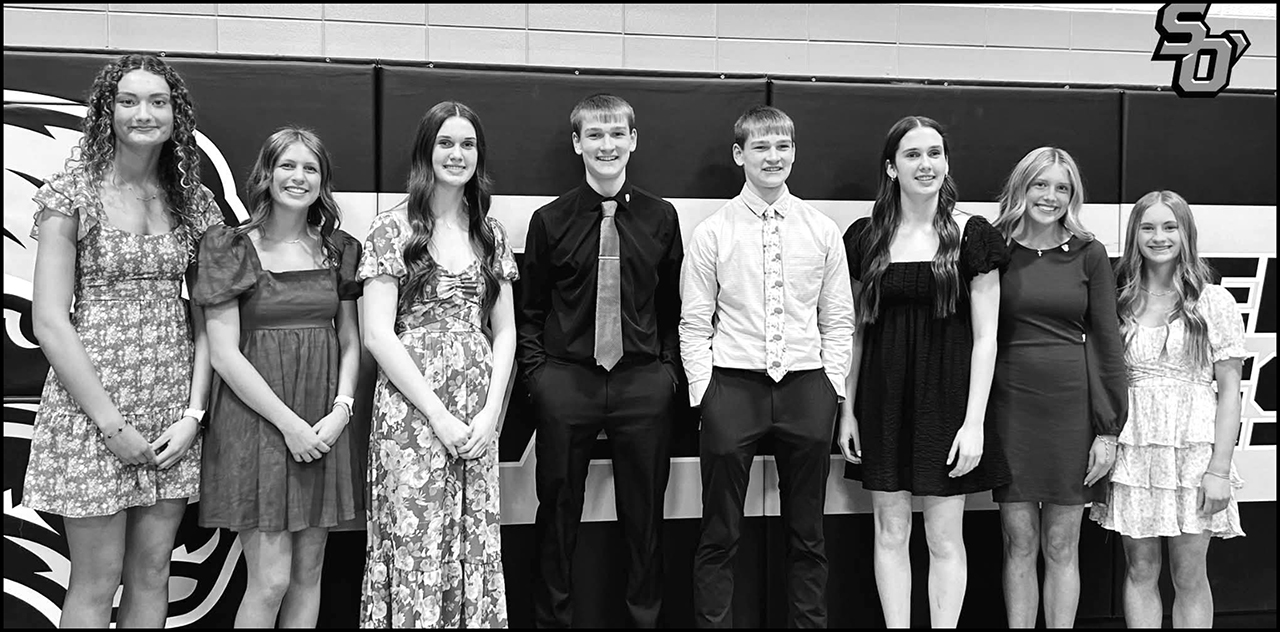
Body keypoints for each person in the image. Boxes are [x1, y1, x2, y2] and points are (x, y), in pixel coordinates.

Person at [24, 53, 223, 628]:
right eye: (129, 101)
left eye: (158, 101)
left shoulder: (192, 200)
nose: (144, 113)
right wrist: (111, 424)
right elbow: (49, 320)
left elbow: (210, 315)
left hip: (170, 408)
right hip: (92, 411)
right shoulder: (73, 193)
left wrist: (193, 416)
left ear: (176, 114)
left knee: (153, 571)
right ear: (106, 112)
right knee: (96, 579)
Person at [680, 105, 854, 628]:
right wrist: (705, 393)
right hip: (732, 388)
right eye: (760, 147)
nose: (772, 157)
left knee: (809, 534)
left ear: (794, 153)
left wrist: (831, 386)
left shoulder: (822, 230)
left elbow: (838, 319)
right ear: (740, 155)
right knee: (719, 532)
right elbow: (693, 323)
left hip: (806, 389)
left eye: (782, 146)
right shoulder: (713, 232)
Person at [517, 93, 683, 628]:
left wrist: (666, 374)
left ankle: (643, 621)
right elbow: (530, 309)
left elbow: (672, 307)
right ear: (577, 143)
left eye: (616, 134)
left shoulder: (661, 217)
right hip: (567, 382)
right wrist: (540, 378)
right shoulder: (549, 220)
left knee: (646, 519)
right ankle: (553, 621)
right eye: (594, 134)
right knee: (557, 515)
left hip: (642, 383)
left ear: (633, 140)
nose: (606, 145)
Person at [838, 115, 1011, 627]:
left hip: (948, 402)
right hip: (882, 401)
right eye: (913, 154)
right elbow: (855, 332)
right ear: (892, 168)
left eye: (935, 153)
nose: (926, 164)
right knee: (890, 531)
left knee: (944, 537)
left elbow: (986, 338)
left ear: (947, 163)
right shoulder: (866, 237)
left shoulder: (973, 235)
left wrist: (974, 422)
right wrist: (847, 411)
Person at [194, 127, 364, 627]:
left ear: (323, 181)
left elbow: (350, 340)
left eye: (311, 168)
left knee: (308, 576)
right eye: (288, 165)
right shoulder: (228, 245)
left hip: (323, 422)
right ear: (266, 174)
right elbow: (223, 354)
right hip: (258, 423)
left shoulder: (338, 249)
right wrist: (290, 425)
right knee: (270, 581)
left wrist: (341, 410)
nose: (299, 177)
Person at [359, 101, 519, 628]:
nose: (457, 154)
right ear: (426, 151)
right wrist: (437, 414)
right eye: (445, 142)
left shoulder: (490, 233)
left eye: (467, 144)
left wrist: (491, 414)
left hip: (477, 408)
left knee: (473, 537)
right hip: (412, 407)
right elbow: (377, 334)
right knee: (417, 537)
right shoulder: (391, 228)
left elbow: (506, 331)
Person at [1091, 190, 1246, 627]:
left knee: (1189, 573)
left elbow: (1230, 391)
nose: (1158, 237)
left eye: (1169, 227)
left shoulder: (1213, 301)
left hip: (1195, 453)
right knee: (1140, 570)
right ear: (1134, 234)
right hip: (1135, 452)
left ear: (1186, 233)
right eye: (1148, 227)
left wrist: (1219, 469)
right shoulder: (1117, 301)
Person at [989, 146, 1128, 628]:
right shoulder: (992, 248)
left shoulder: (1090, 253)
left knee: (1062, 544)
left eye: (1062, 188)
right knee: (1019, 542)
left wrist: (1108, 430)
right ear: (1022, 187)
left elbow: (1108, 343)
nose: (1050, 196)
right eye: (1041, 184)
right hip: (1009, 410)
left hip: (1072, 413)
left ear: (1073, 196)